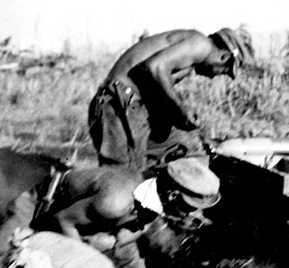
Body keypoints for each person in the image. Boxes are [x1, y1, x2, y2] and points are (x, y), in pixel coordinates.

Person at [0, 157, 222, 268]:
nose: (195, 215)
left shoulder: (153, 197)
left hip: (99, 226)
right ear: (171, 196)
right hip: (43, 209)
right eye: (191, 207)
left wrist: (113, 242)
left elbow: (134, 230)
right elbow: (63, 221)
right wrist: (91, 259)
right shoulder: (116, 202)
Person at [88, 27, 254, 173]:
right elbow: (155, 66)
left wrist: (178, 116)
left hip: (131, 105)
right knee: (122, 179)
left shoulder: (191, 55)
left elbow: (154, 84)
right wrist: (181, 108)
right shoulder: (200, 45)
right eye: (224, 71)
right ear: (224, 57)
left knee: (184, 147)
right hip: (118, 104)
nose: (213, 77)